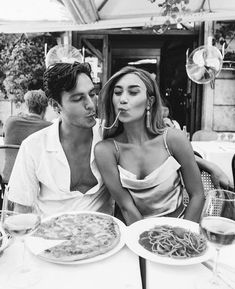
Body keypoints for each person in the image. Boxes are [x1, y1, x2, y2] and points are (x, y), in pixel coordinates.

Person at [95, 66, 205, 225]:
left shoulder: (174, 140)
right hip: (133, 233)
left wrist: (182, 236)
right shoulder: (106, 150)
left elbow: (197, 195)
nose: (123, 99)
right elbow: (126, 207)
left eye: (133, 92)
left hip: (179, 230)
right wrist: (148, 241)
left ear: (149, 102)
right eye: (118, 92)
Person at [7, 62, 112, 217]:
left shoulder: (109, 136)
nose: (91, 105)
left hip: (105, 236)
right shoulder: (33, 146)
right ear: (55, 105)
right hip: (50, 237)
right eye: (78, 98)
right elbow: (21, 211)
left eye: (92, 94)